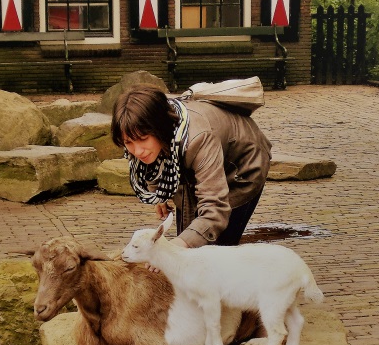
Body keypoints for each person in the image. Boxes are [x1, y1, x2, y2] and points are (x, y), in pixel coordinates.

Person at [111, 84, 271, 249]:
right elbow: (148, 165)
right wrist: (159, 192)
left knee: (216, 248)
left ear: (160, 128)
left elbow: (214, 208)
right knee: (188, 239)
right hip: (194, 166)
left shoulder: (199, 138)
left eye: (143, 139)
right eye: (128, 142)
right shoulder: (141, 131)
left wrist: (178, 246)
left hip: (241, 167)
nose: (137, 151)